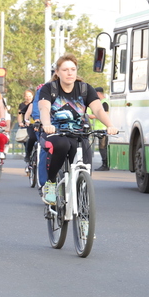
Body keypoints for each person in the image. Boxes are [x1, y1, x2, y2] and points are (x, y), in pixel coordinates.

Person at [38, 54, 118, 204]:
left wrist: (110, 126)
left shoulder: (85, 89)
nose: (69, 73)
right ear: (57, 72)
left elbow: (99, 110)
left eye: (73, 69)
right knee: (62, 145)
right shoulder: (49, 89)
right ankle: (51, 182)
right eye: (65, 69)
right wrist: (47, 124)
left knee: (85, 161)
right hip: (55, 132)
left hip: (78, 133)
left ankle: (81, 197)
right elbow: (44, 108)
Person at [87, 86, 111, 171]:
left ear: (98, 93)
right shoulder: (102, 102)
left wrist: (91, 116)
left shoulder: (104, 102)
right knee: (102, 147)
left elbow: (105, 113)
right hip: (100, 128)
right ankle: (104, 164)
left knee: (102, 147)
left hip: (103, 128)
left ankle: (105, 165)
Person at [17, 89, 37, 165]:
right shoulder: (22, 105)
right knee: (30, 139)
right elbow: (20, 115)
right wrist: (21, 122)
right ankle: (28, 154)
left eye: (30, 96)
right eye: (26, 96)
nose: (28, 97)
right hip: (28, 124)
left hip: (38, 124)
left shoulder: (38, 103)